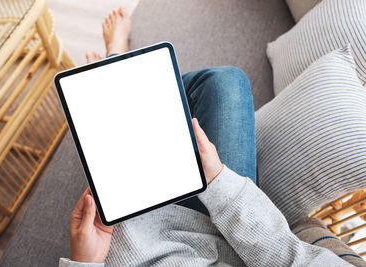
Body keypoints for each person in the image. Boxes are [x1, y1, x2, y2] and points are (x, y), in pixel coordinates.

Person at [59, 7, 353, 267]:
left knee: (105, 129)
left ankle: (114, 60)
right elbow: (286, 255)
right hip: (224, 236)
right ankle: (117, 69)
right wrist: (220, 182)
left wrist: (86, 263)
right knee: (225, 82)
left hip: (128, 247)